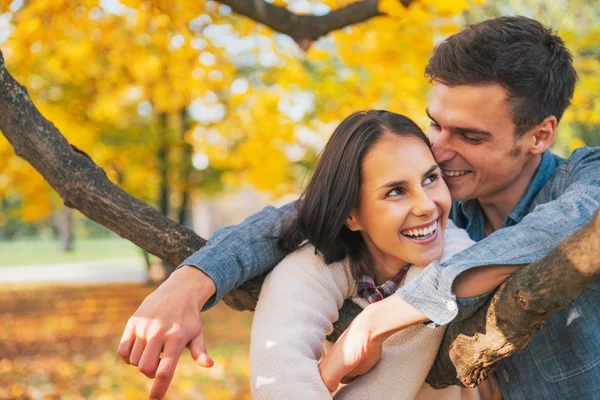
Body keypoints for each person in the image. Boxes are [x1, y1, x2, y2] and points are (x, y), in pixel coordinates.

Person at [118, 16, 600, 400]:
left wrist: (383, 316)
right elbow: (303, 214)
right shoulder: (436, 204)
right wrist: (188, 282)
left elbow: (565, 227)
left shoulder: (584, 179)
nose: (440, 150)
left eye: (470, 136)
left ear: (540, 134)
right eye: (435, 124)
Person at [250, 110, 481, 399]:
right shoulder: (309, 269)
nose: (426, 205)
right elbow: (279, 374)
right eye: (396, 191)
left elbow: (454, 271)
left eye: (430, 178)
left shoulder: (457, 258)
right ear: (351, 215)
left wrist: (377, 323)